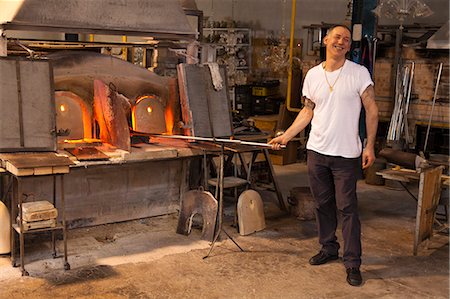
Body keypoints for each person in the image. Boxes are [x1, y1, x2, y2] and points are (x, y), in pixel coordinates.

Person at [269, 24, 378, 287]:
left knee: (348, 208)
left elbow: (372, 111)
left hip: (346, 155)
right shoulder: (313, 75)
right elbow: (307, 111)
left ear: (349, 47)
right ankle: (328, 248)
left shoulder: (359, 73)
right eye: (336, 37)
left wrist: (370, 145)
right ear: (326, 40)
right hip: (317, 152)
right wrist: (286, 136)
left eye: (346, 39)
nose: (340, 41)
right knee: (322, 204)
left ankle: (352, 262)